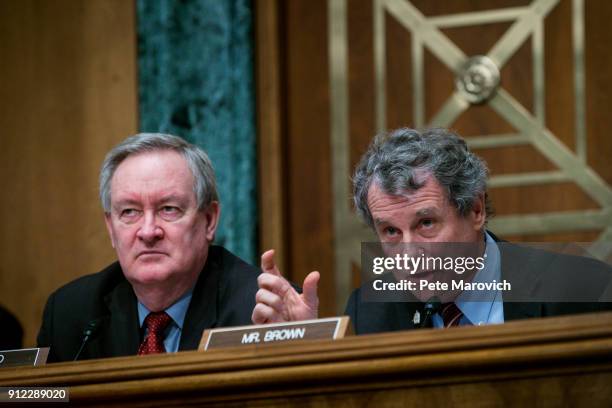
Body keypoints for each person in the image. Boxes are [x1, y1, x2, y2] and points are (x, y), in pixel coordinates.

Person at [252, 128, 612, 333]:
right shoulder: (369, 312)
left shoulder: (581, 290)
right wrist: (312, 350)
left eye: (426, 223)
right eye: (390, 231)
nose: (408, 254)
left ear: (475, 209)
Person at [37, 133, 260, 361]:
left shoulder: (260, 310)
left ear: (209, 220)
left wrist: (296, 343)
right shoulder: (70, 313)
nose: (148, 231)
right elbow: (29, 397)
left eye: (169, 209)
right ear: (111, 228)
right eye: (129, 212)